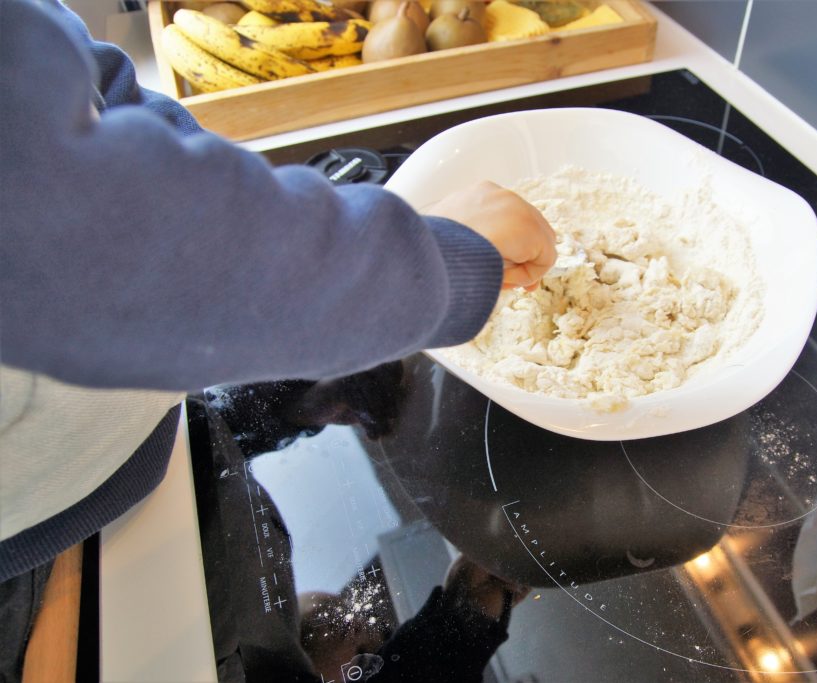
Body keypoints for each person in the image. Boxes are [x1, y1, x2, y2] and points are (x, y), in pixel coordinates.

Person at [0, 0, 555, 678]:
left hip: (116, 444)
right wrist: (427, 258)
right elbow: (94, 239)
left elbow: (100, 86)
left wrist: (237, 202)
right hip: (34, 549)